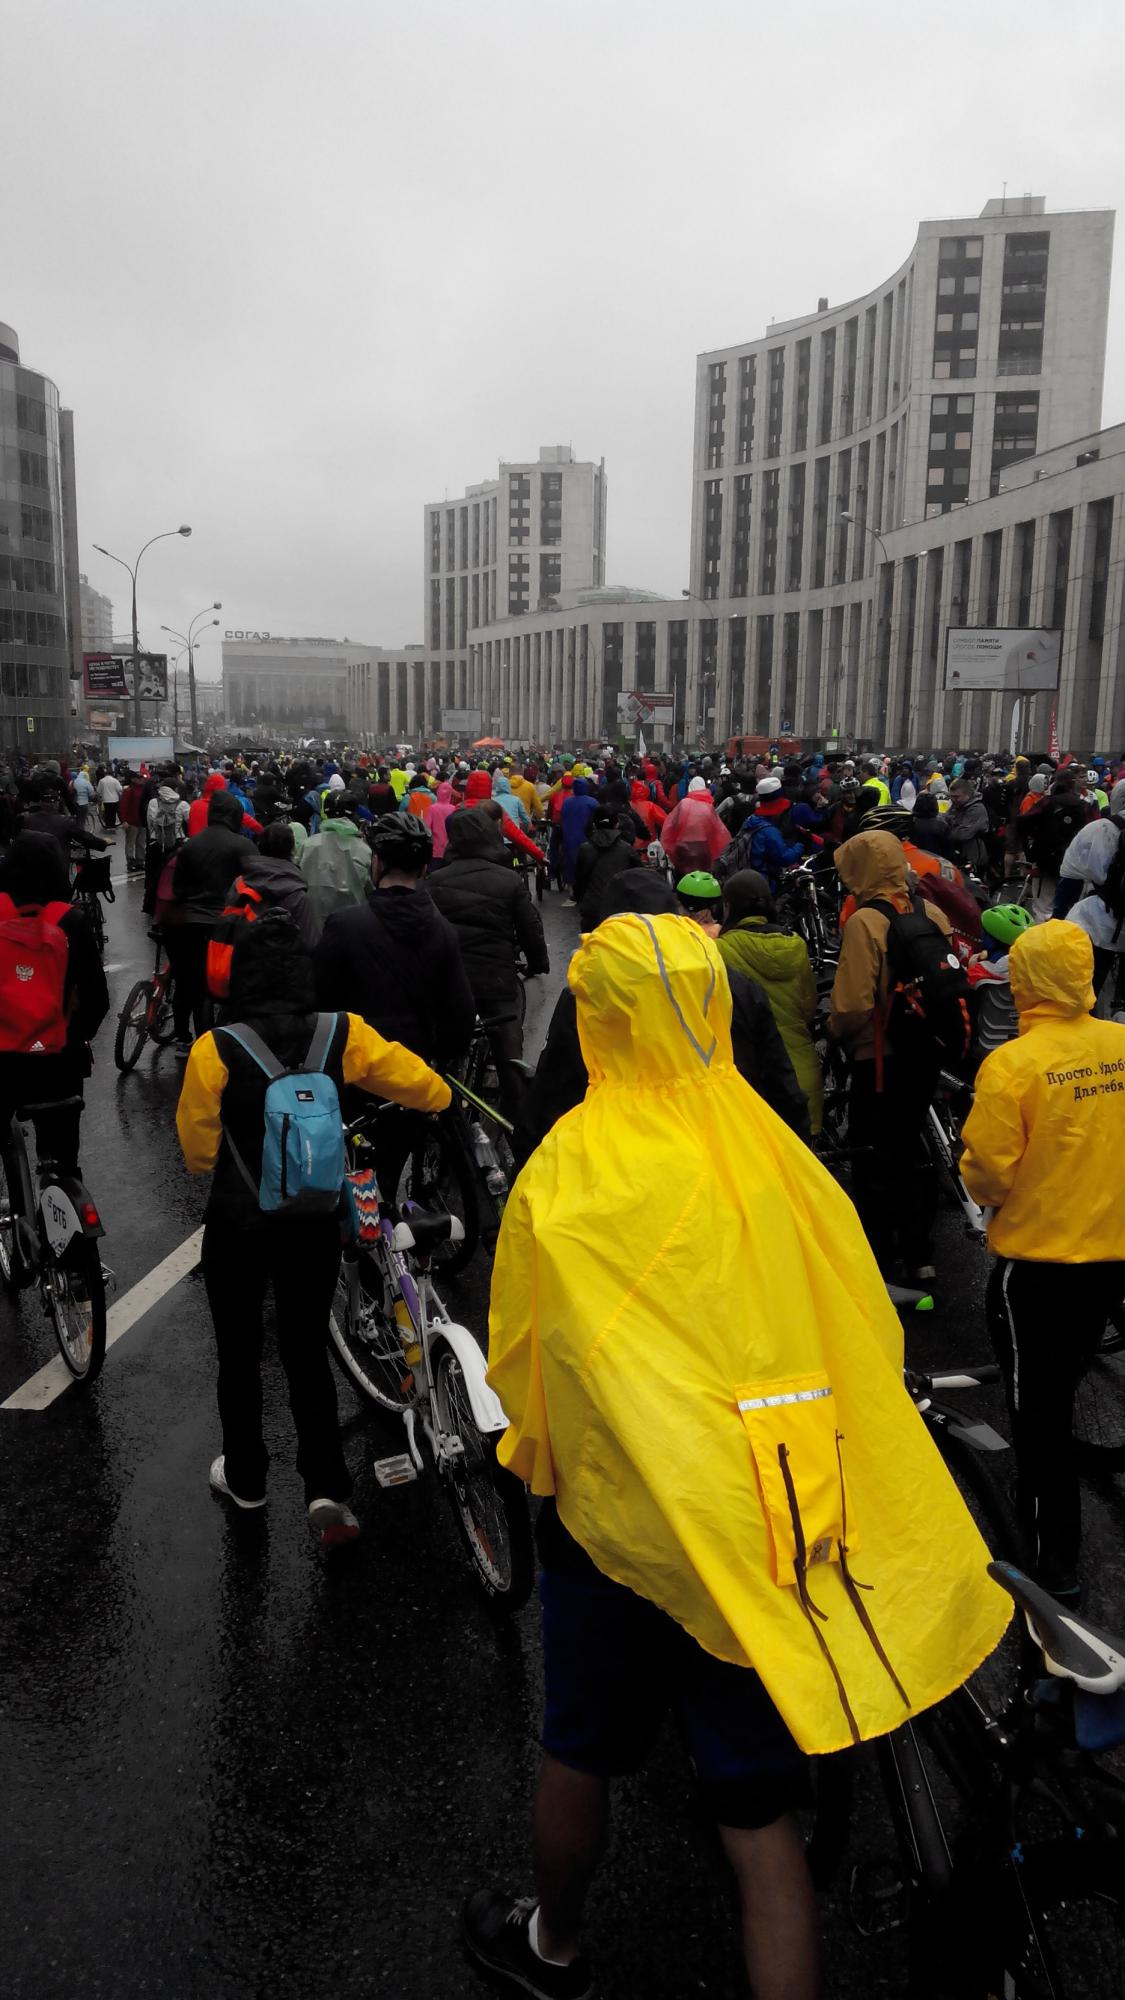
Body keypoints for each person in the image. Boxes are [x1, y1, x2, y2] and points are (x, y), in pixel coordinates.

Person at [466, 909, 1009, 2000]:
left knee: (580, 1749)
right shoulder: (778, 1152)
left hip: (617, 1531)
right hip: (775, 1509)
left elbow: (523, 1365)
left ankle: (552, 1945)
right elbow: (864, 1323)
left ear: (594, 1016)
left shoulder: (567, 1167)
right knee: (756, 1819)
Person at [176, 912, 452, 1546]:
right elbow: (420, 1084)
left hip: (239, 1225)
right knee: (305, 1349)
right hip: (313, 1220)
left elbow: (197, 1150)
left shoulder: (216, 1048)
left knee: (238, 1354)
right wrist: (443, 1100)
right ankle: (327, 1488)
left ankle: (246, 1479)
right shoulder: (340, 1032)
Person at [961, 922, 1125, 1601]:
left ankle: (1051, 1563)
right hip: (1112, 1252)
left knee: (1038, 1411)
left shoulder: (1013, 1065)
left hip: (1039, 1266)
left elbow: (987, 1174)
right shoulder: (1120, 1044)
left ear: (1023, 981)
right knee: (1069, 1372)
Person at [512, 872, 811, 1167]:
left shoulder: (588, 997)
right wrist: (794, 1158)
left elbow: (554, 1093)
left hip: (625, 1162)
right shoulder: (727, 982)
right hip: (731, 1152)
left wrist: (530, 1158)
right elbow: (779, 1082)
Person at [828, 830, 957, 1283]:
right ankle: (922, 1253)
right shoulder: (932, 912)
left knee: (875, 1156)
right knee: (912, 1147)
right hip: (926, 1049)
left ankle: (881, 1259)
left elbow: (852, 1005)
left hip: (878, 1057)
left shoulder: (865, 921)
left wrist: (833, 1031)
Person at [314, 814, 475, 1070]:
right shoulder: (443, 930)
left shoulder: (344, 925)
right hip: (415, 1068)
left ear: (376, 863)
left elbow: (319, 999)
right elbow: (460, 1015)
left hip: (356, 1065)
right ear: (424, 868)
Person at [425, 805, 549, 1117]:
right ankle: (517, 1124)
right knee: (509, 1052)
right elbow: (530, 930)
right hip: (496, 980)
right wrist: (538, 963)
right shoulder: (509, 881)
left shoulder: (433, 881)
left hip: (449, 984)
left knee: (441, 1051)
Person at [0, 833, 109, 1177]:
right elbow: (97, 999)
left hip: (4, 1061)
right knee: (65, 1160)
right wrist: (76, 1034)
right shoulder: (71, 920)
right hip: (58, 1060)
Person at [718, 870, 823, 1136]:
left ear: (729, 906)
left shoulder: (721, 950)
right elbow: (808, 1006)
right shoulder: (796, 945)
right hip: (802, 1074)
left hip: (754, 1080)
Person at [168, 791, 254, 1053]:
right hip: (228, 925)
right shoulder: (243, 846)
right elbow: (255, 885)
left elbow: (178, 888)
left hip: (190, 922)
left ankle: (183, 1037)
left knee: (186, 981)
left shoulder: (191, 846)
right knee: (230, 980)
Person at [237, 820, 321, 952]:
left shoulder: (240, 883)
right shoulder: (297, 895)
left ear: (259, 846)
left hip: (243, 959)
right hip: (282, 961)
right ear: (292, 850)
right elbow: (310, 942)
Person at [715, 775, 803, 893]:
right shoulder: (769, 832)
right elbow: (784, 858)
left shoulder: (752, 820)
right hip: (762, 884)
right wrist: (799, 846)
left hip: (746, 877)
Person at [299, 794, 373, 926]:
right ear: (353, 815)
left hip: (313, 922)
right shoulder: (363, 849)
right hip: (352, 924)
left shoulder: (308, 844)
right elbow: (370, 888)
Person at [573, 806, 642, 932]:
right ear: (617, 824)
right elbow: (639, 878)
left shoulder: (584, 850)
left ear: (594, 825)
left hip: (592, 910)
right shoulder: (627, 850)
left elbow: (579, 883)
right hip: (620, 911)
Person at [660, 774, 731, 879]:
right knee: (704, 876)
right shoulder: (709, 807)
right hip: (703, 848)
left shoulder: (684, 804)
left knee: (682, 877)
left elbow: (671, 825)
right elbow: (717, 830)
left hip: (683, 847)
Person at [559, 779, 598, 903]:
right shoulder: (592, 802)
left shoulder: (567, 802)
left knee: (570, 861)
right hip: (587, 837)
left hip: (569, 836)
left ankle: (571, 888)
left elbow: (561, 818)